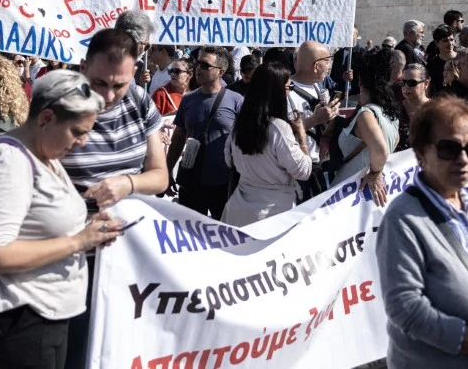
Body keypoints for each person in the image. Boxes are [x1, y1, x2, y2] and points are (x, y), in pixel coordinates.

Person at [0, 71, 123, 369]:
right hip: (8, 328)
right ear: (47, 117)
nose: (82, 142)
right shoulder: (7, 162)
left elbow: (39, 226)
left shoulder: (45, 156)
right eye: (77, 131)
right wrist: (80, 240)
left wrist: (90, 229)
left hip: (37, 321)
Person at [376, 97, 468, 369]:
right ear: (422, 153)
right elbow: (406, 309)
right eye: (449, 149)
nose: (463, 159)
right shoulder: (403, 219)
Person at [59, 26, 169, 369]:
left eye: (118, 85)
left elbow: (160, 176)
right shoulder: (61, 107)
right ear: (83, 69)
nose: (108, 96)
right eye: (100, 83)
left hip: (129, 251)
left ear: (134, 72)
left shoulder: (138, 101)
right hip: (74, 250)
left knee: (121, 346)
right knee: (76, 349)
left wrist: (126, 183)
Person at [222, 62, 312, 226]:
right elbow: (303, 171)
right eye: (287, 88)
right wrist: (302, 136)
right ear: (277, 91)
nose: (288, 93)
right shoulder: (278, 127)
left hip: (239, 210)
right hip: (272, 215)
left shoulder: (239, 124)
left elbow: (229, 161)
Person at [167, 46, 243, 219]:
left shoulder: (236, 101)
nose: (198, 68)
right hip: (191, 182)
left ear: (220, 72)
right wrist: (168, 170)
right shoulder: (188, 100)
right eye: (198, 63)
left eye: (205, 65)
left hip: (224, 184)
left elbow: (245, 141)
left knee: (224, 235)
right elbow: (178, 138)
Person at [330, 48, 401, 197]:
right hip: (369, 193)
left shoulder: (367, 114)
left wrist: (376, 173)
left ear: (360, 80)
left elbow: (381, 150)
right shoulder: (390, 114)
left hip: (353, 192)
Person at [287, 41, 340, 156]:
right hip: (297, 165)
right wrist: (315, 119)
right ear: (316, 66)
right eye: (327, 61)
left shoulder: (316, 86)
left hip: (317, 161)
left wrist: (330, 115)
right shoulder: (286, 91)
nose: (329, 66)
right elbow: (281, 132)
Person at [397, 63, 431, 151]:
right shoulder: (395, 109)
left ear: (426, 84)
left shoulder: (437, 110)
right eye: (403, 82)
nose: (406, 87)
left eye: (412, 83)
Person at [331, 27, 365, 97]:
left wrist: (353, 77)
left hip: (354, 95)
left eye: (351, 35)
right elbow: (333, 75)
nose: (348, 37)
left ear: (357, 36)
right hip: (337, 94)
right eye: (346, 34)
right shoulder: (338, 54)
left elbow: (365, 76)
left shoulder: (363, 53)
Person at [425, 24, 456, 95]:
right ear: (436, 43)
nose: (450, 43)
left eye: (451, 40)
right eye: (445, 41)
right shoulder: (432, 64)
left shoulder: (462, 59)